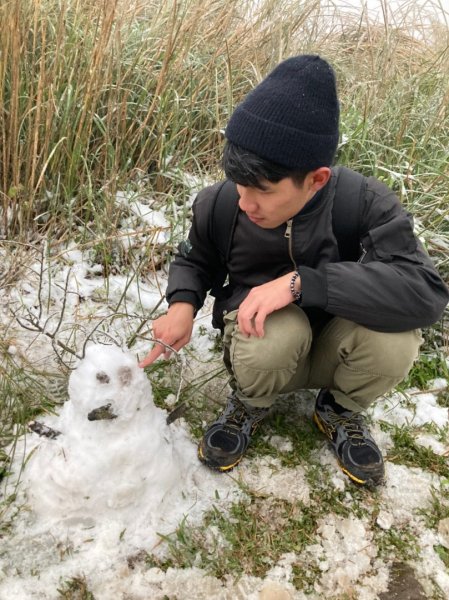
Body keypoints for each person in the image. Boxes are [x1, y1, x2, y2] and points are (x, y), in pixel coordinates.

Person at [138, 55, 449, 486]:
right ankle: (252, 402)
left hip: (338, 345)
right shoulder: (223, 203)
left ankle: (339, 409)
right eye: (239, 185)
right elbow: (196, 258)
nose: (246, 204)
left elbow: (424, 291)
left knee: (395, 340)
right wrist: (182, 305)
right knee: (272, 335)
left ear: (317, 179)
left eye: (262, 192)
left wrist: (304, 283)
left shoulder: (361, 201)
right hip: (268, 347)